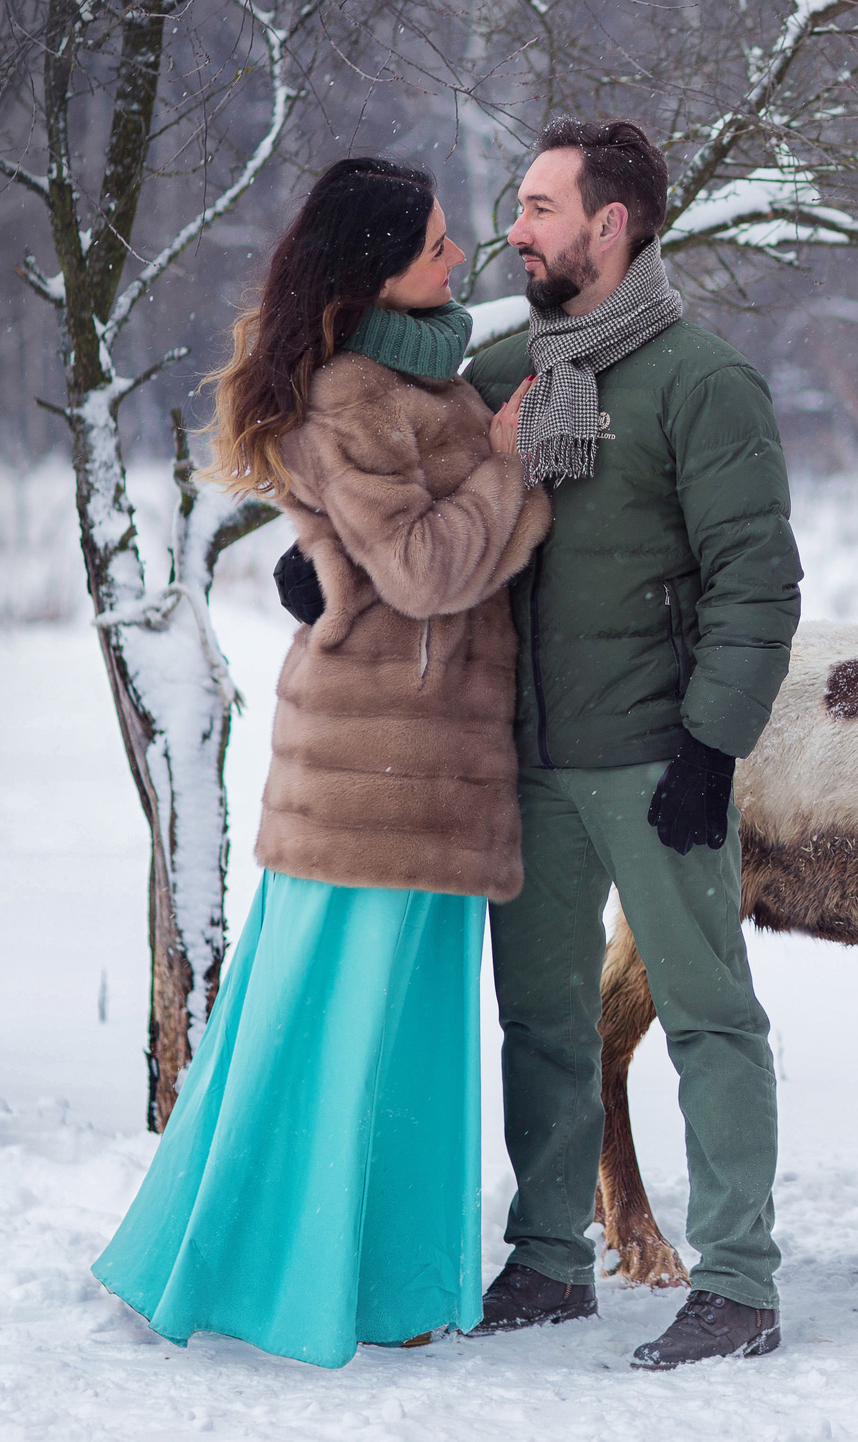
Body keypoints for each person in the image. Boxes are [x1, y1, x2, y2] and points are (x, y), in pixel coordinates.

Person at [93, 158, 551, 1366]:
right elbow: (428, 574)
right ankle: (267, 1278)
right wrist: (511, 463)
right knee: (321, 1036)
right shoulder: (353, 394)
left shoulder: (415, 368)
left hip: (433, 765)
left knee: (395, 1043)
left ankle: (384, 1283)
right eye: (440, 244)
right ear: (377, 264)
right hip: (375, 764)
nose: (463, 259)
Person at [463, 119, 802, 1368]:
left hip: (657, 755)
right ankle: (551, 1259)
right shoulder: (503, 367)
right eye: (519, 205)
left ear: (611, 225)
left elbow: (757, 586)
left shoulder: (700, 381)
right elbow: (403, 476)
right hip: (528, 757)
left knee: (709, 1015)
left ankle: (737, 1285)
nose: (517, 227)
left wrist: (711, 752)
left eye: (542, 208)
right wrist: (322, 557)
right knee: (541, 1019)